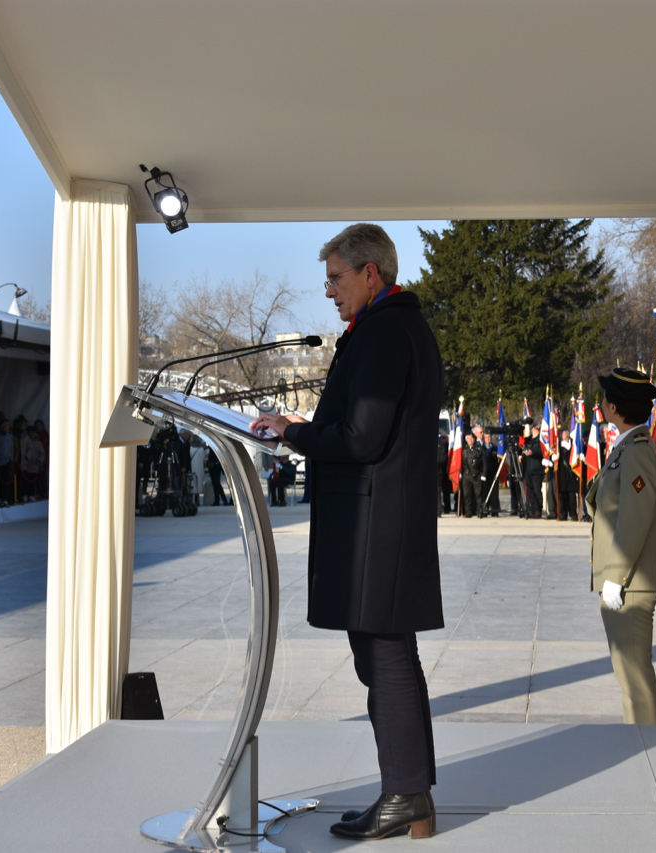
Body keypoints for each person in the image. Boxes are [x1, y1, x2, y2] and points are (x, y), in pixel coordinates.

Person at [249, 223, 442, 841]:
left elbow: (362, 437)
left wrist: (294, 432)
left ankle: (407, 795)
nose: (329, 290)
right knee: (386, 658)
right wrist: (302, 427)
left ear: (370, 273)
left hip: (378, 527)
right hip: (382, 521)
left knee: (386, 660)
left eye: (336, 278)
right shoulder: (390, 325)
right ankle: (407, 793)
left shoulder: (384, 331)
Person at [586, 367, 656, 726]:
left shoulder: (637, 452)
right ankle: (641, 739)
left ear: (615, 407)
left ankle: (650, 744)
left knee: (635, 677)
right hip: (626, 580)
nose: (601, 403)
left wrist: (615, 577)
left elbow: (633, 520)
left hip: (630, 582)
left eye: (605, 397)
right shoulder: (628, 447)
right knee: (629, 676)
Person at [522, 425, 544, 518]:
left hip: (537, 469)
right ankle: (531, 509)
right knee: (529, 491)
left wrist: (533, 452)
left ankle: (537, 510)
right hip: (528, 469)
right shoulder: (528, 439)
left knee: (536, 490)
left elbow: (542, 451)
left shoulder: (541, 439)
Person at [460, 431, 484, 518]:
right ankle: (468, 511)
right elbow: (460, 462)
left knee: (478, 495)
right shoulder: (463, 449)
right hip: (466, 475)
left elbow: (484, 463)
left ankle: (479, 511)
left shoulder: (479, 449)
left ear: (474, 439)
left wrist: (483, 474)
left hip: (476, 475)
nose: (470, 440)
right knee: (467, 494)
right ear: (466, 440)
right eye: (468, 438)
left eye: (472, 438)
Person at [480, 430, 500, 517]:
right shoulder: (481, 449)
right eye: (486, 437)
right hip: (484, 474)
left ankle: (494, 510)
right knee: (485, 493)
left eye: (489, 437)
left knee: (494, 493)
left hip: (494, 473)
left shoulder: (496, 448)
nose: (488, 439)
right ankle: (485, 510)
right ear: (484, 439)